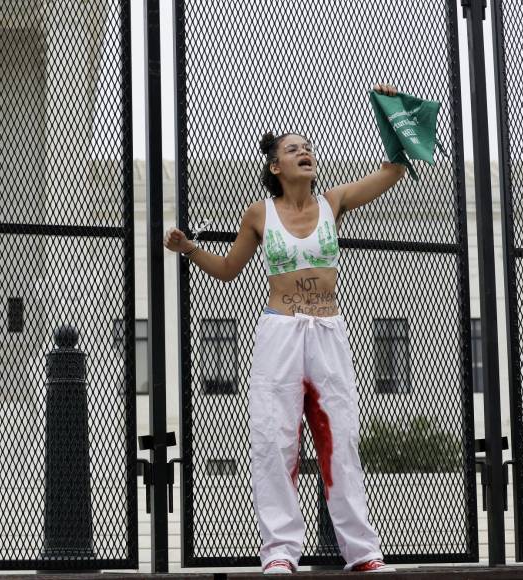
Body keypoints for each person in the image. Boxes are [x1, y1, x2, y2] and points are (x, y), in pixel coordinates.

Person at [164, 84, 405, 574]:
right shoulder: (260, 213)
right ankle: (279, 552)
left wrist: (389, 108)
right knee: (275, 439)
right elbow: (230, 268)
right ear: (276, 166)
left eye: (308, 148)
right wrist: (189, 249)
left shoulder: (334, 201)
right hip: (279, 333)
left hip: (327, 332)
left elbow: (392, 170)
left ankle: (361, 552)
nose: (305, 153)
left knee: (338, 436)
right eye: (294, 150)